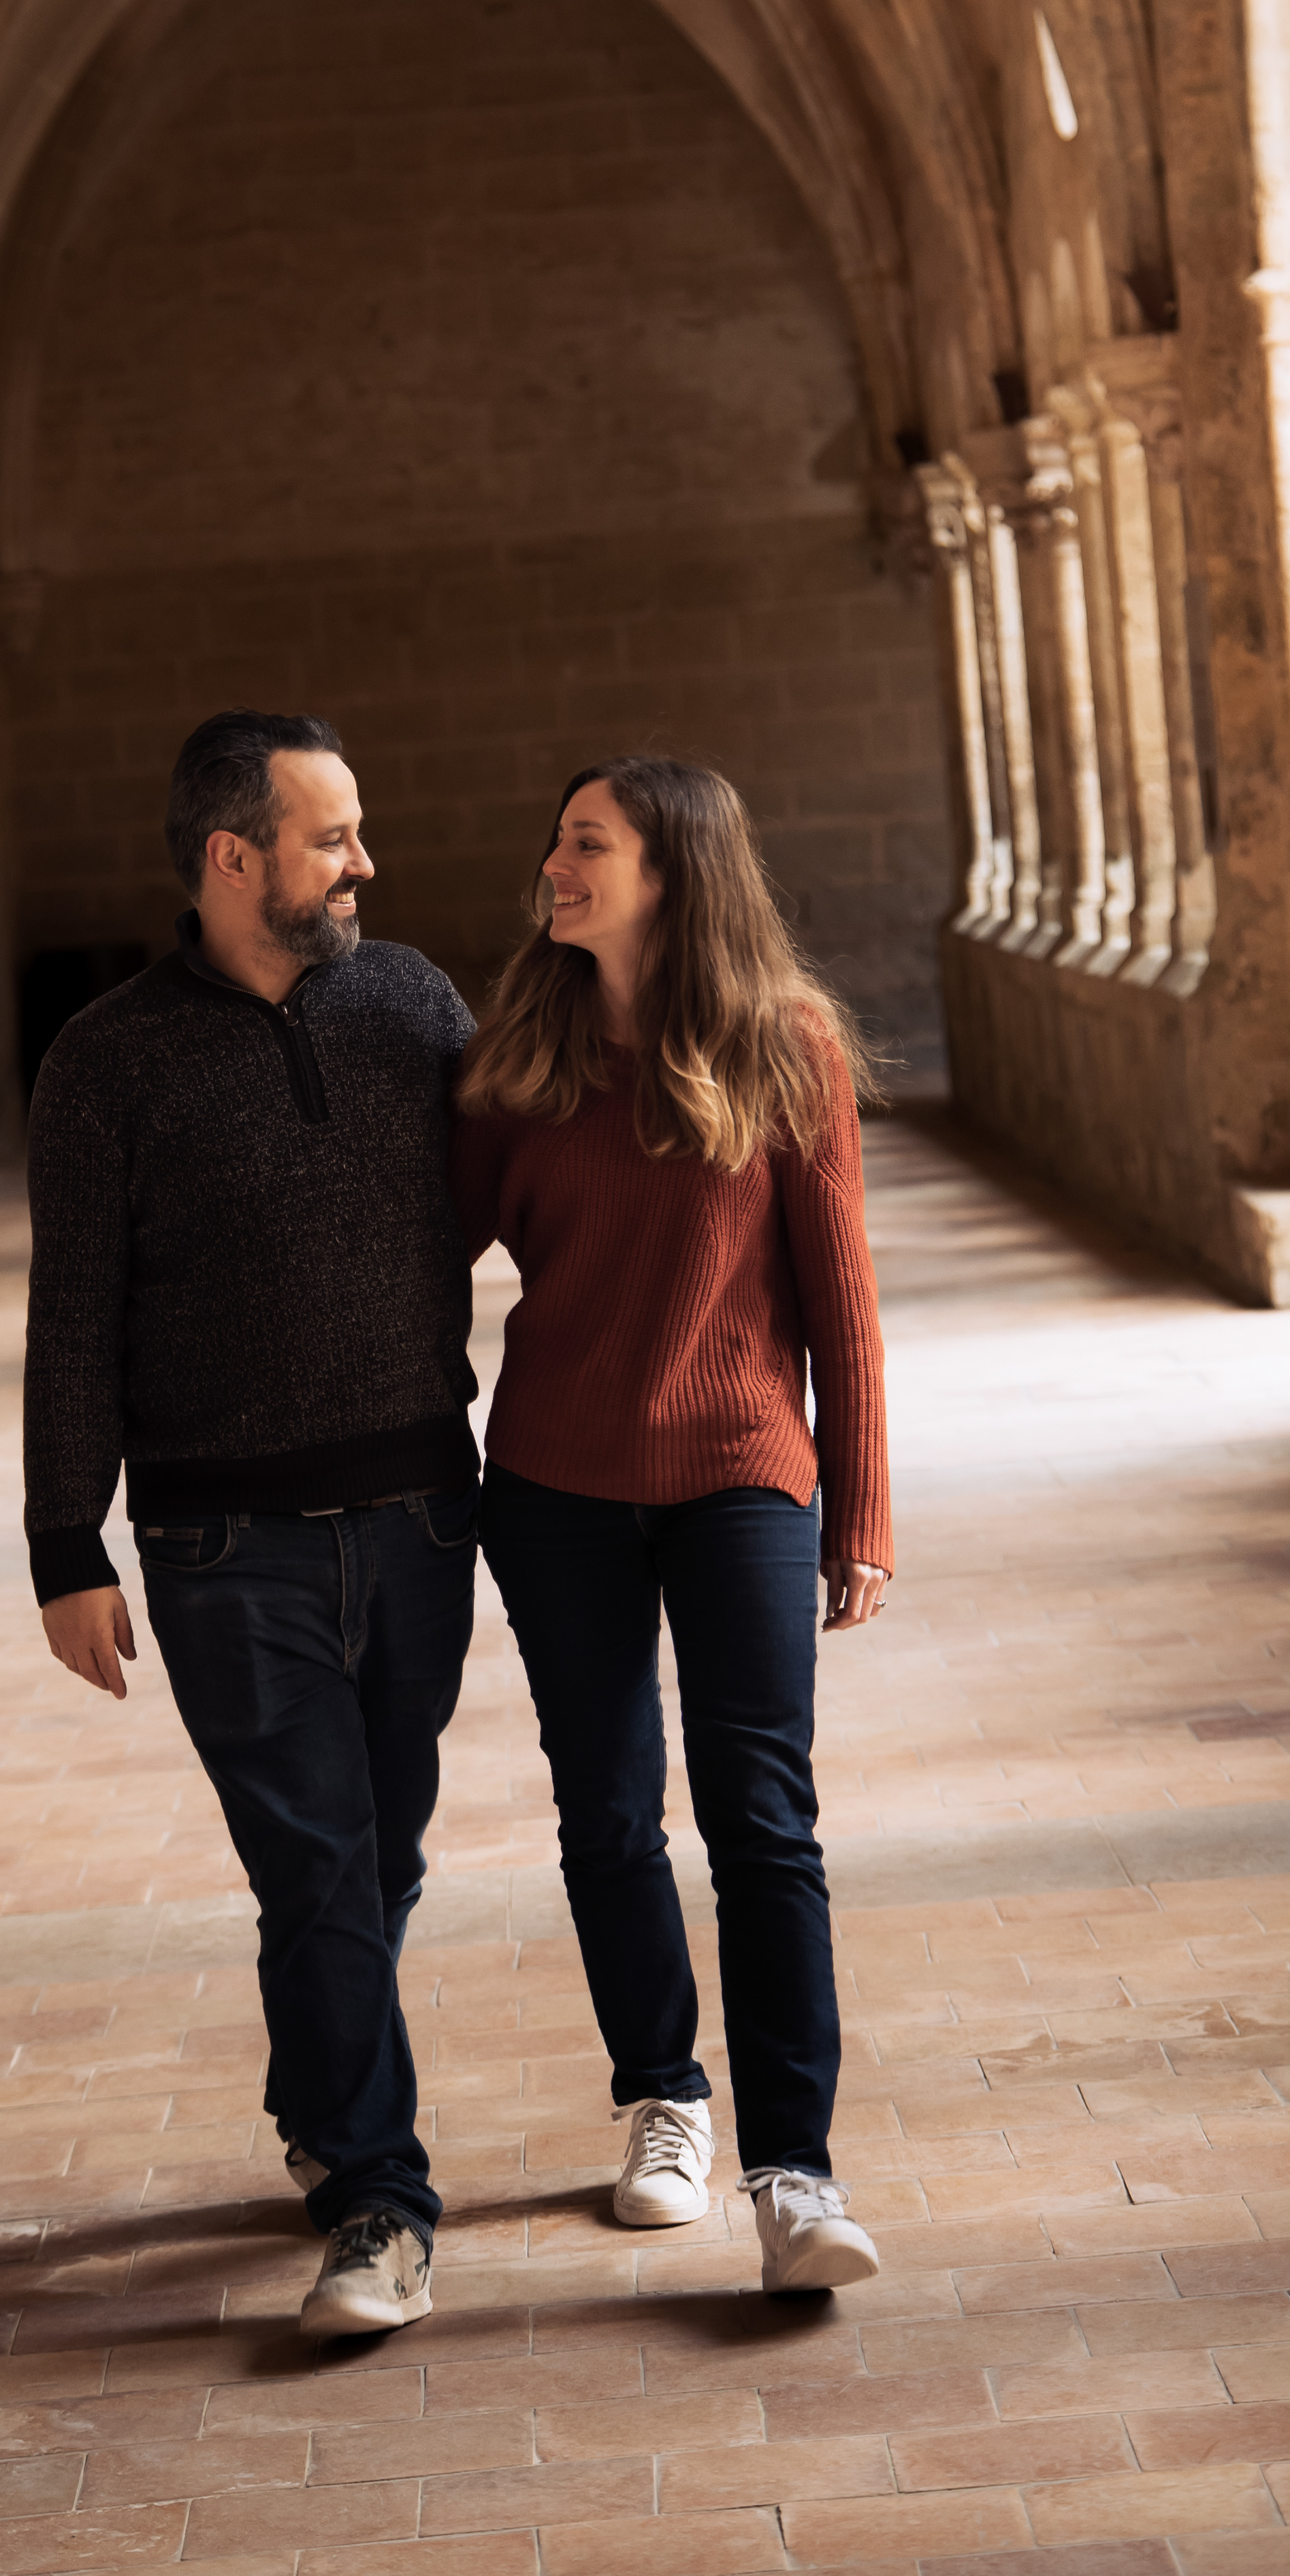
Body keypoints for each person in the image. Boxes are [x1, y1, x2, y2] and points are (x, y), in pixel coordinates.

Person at [25, 711, 479, 2338]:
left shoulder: (417, 1006)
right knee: (316, 1862)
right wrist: (64, 1546)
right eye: (332, 836)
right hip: (226, 1547)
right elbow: (70, 1319)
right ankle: (380, 2199)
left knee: (383, 1853)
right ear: (234, 860)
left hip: (425, 1511)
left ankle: (318, 2091)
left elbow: (538, 1190)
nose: (367, 862)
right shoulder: (106, 1064)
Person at [455, 754, 892, 2294]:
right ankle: (664, 2099)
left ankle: (795, 2171)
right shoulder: (521, 1060)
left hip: (742, 1477)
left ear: (671, 871)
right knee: (606, 1810)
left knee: (764, 1818)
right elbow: (423, 1262)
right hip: (559, 1487)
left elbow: (842, 1298)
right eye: (559, 838)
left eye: (587, 844)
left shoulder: (787, 1046)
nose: (556, 866)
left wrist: (865, 1511)